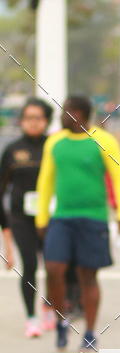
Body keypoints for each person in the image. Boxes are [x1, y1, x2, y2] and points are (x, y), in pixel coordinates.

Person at [35, 95, 120, 351]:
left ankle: (89, 331)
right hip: (62, 218)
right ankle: (60, 322)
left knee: (87, 276)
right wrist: (41, 217)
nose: (62, 116)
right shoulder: (55, 142)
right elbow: (45, 181)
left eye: (67, 111)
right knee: (53, 269)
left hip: (94, 218)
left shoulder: (104, 140)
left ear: (79, 114)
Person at [0, 98, 54, 337]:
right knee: (30, 264)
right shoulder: (12, 150)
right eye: (28, 118)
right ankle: (31, 318)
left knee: (53, 265)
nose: (33, 123)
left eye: (38, 118)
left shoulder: (54, 146)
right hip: (21, 218)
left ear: (46, 120)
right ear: (21, 120)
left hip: (50, 216)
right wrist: (6, 236)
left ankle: (50, 306)